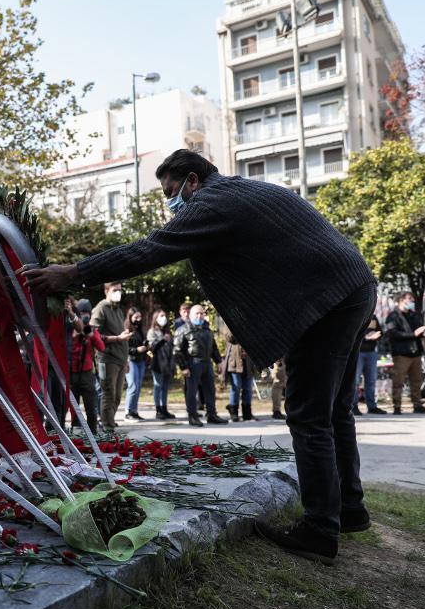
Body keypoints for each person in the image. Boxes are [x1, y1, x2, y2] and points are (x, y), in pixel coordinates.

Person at [22, 148, 378, 565]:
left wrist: (74, 273)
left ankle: (320, 529)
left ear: (193, 180)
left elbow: (149, 250)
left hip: (326, 299)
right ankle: (350, 509)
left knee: (309, 414)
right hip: (352, 286)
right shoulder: (239, 192)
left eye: (172, 191)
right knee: (335, 412)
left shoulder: (212, 201)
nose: (171, 202)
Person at [174, 304, 225, 427]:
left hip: (207, 362)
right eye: (197, 313)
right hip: (193, 363)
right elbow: (177, 350)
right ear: (190, 315)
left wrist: (219, 361)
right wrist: (184, 367)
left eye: (202, 313)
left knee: (210, 390)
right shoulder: (183, 329)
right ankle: (193, 416)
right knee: (191, 391)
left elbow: (213, 347)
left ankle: (212, 415)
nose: (200, 315)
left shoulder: (207, 328)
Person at [384, 292, 425, 415]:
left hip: (416, 352)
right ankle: (397, 406)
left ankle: (417, 405)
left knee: (417, 381)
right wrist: (413, 334)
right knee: (398, 381)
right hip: (401, 353)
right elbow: (392, 333)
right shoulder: (393, 316)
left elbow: (419, 329)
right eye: (409, 298)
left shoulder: (414, 315)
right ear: (401, 300)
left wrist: (424, 333)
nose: (412, 301)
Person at [90, 282, 131, 431]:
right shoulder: (101, 308)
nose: (118, 293)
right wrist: (117, 339)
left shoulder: (118, 310)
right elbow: (92, 333)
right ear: (106, 291)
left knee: (117, 396)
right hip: (106, 359)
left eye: (120, 290)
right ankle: (107, 427)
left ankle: (109, 422)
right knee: (108, 394)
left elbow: (121, 335)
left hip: (120, 359)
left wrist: (126, 359)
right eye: (115, 290)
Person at [70, 298, 104, 433]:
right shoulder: (71, 328)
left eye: (87, 313)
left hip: (86, 373)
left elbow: (101, 347)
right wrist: (75, 334)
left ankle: (93, 434)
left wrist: (91, 335)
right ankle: (74, 431)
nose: (85, 316)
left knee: (91, 406)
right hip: (72, 373)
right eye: (82, 313)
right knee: (73, 406)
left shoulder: (92, 329)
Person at [351, 313, 385, 415]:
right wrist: (366, 338)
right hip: (358, 352)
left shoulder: (373, 317)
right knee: (355, 380)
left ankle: (372, 406)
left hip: (371, 352)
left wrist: (377, 335)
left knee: (371, 380)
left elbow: (380, 331)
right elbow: (352, 333)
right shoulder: (356, 313)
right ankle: (353, 406)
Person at [147, 309, 177, 419]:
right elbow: (152, 348)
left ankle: (164, 408)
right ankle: (158, 409)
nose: (163, 317)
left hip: (167, 363)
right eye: (161, 315)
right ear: (156, 318)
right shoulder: (152, 331)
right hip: (157, 363)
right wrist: (163, 340)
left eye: (165, 315)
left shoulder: (167, 331)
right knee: (158, 386)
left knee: (165, 387)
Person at [224, 330, 256, 421]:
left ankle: (247, 414)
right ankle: (234, 413)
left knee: (248, 388)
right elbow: (229, 337)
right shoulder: (230, 320)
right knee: (236, 387)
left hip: (248, 362)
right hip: (235, 362)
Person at [124, 307, 148, 420]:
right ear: (130, 317)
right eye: (136, 317)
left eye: (140, 317)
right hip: (131, 360)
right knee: (132, 386)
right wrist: (136, 350)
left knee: (138, 387)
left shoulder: (140, 329)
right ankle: (128, 412)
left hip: (141, 360)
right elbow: (125, 348)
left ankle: (134, 411)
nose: (138, 319)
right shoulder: (126, 329)